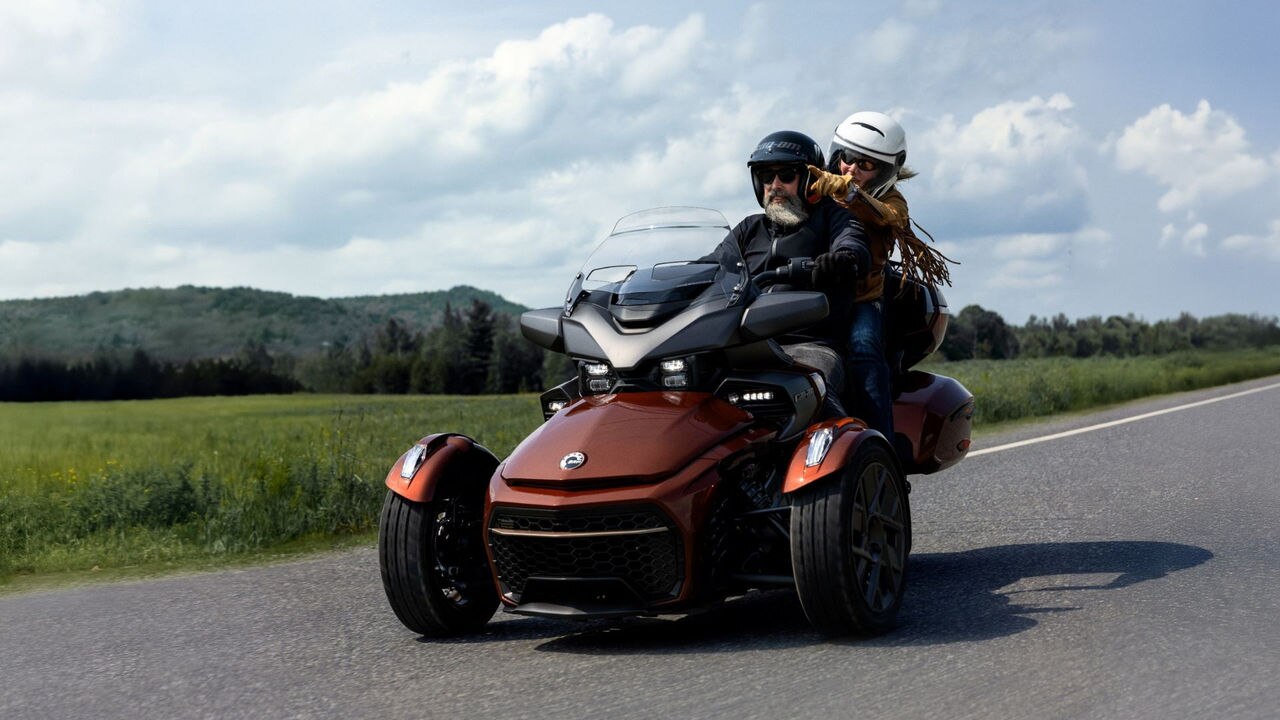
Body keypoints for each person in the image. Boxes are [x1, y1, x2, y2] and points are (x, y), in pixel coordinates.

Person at [806, 111, 954, 441]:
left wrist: (850, 195)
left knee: (863, 350)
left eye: (865, 164)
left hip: (863, 297)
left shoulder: (892, 200)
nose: (851, 170)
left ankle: (880, 445)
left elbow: (889, 217)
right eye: (846, 158)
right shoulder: (819, 187)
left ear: (887, 169)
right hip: (812, 292)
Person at [720, 130, 872, 419]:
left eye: (786, 175)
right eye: (766, 177)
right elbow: (711, 267)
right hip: (743, 345)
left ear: (810, 179)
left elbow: (854, 247)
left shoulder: (832, 217)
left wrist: (841, 260)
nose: (774, 185)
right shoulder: (748, 229)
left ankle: (851, 453)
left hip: (809, 344)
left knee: (813, 391)